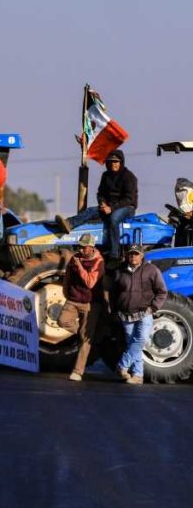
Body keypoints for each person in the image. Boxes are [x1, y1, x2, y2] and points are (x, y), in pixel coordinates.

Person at [56, 149, 137, 261]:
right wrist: (102, 203)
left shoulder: (129, 177)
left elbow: (129, 199)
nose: (113, 164)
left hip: (126, 207)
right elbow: (100, 193)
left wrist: (112, 208)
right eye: (111, 161)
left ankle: (115, 253)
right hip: (109, 206)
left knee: (114, 219)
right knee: (91, 211)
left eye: (116, 161)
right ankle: (69, 223)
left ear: (121, 162)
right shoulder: (106, 176)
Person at [109, 245, 166, 385]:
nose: (133, 256)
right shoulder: (120, 271)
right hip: (126, 314)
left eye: (136, 254)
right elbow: (113, 292)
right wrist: (115, 309)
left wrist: (153, 308)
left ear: (142, 256)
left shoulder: (152, 270)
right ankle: (138, 375)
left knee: (140, 340)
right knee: (132, 344)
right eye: (131, 254)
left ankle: (122, 365)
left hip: (144, 313)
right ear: (127, 256)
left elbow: (162, 291)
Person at [59, 233, 105, 382]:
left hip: (90, 303)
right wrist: (66, 292)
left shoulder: (99, 262)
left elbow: (90, 282)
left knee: (85, 339)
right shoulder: (74, 259)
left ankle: (78, 371)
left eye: (84, 247)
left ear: (91, 247)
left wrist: (79, 266)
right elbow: (68, 276)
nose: (81, 250)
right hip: (73, 299)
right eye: (80, 246)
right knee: (62, 321)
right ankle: (84, 335)